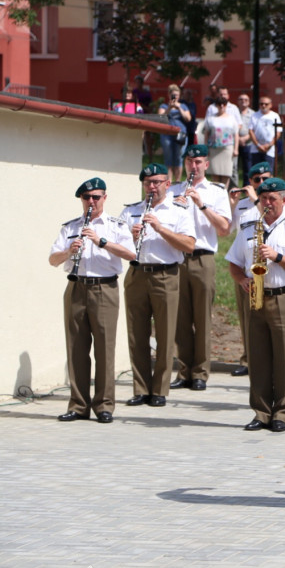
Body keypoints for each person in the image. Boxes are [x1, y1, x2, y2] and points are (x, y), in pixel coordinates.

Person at [225, 178, 285, 432]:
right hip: (256, 298)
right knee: (258, 357)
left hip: (284, 297)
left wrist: (278, 257)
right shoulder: (248, 228)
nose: (267, 203)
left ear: (284, 201)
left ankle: (282, 413)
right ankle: (261, 412)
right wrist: (241, 279)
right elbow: (233, 261)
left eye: (272, 199)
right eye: (263, 199)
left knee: (284, 358)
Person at [50, 178, 136, 423]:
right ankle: (78, 405)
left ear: (104, 198)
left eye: (96, 197)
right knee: (76, 348)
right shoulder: (70, 227)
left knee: (104, 349)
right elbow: (53, 260)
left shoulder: (115, 225)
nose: (91, 202)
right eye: (87, 198)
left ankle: (104, 405)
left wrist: (101, 241)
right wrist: (69, 252)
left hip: (104, 288)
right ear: (81, 200)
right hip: (76, 287)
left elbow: (131, 254)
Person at [120, 164, 196, 408]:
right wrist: (129, 237)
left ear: (168, 183)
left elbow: (189, 245)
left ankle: (160, 389)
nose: (152, 187)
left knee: (165, 334)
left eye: (157, 182)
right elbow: (116, 248)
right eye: (147, 183)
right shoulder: (131, 211)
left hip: (166, 275)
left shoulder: (179, 210)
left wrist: (160, 228)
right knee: (137, 334)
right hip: (137, 273)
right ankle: (141, 389)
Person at [169, 144, 233, 392]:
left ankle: (200, 373)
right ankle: (184, 371)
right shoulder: (173, 190)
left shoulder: (217, 191)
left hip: (203, 258)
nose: (193, 166)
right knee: (180, 318)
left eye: (198, 162)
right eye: (190, 162)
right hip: (177, 257)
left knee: (202, 318)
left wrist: (201, 204)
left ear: (207, 165)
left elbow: (224, 229)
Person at [226, 161, 285, 376]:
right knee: (247, 319)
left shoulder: (278, 201)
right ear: (250, 182)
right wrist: (232, 205)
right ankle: (248, 359)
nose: (262, 183)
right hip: (247, 266)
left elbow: (272, 214)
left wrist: (256, 199)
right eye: (257, 180)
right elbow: (226, 230)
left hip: (275, 273)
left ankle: (271, 362)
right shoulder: (243, 204)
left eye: (265, 179)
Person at [202, 93, 244, 188]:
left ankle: (224, 194)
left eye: (224, 104)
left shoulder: (231, 118)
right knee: (215, 174)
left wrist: (236, 149)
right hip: (214, 148)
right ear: (216, 105)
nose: (221, 106)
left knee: (226, 173)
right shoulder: (211, 118)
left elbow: (236, 134)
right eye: (219, 104)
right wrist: (205, 148)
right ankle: (216, 195)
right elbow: (206, 134)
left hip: (227, 149)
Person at [157, 84, 192, 182]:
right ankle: (169, 182)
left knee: (179, 158)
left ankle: (177, 182)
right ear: (169, 95)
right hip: (167, 135)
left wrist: (179, 108)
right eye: (173, 95)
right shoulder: (164, 106)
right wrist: (169, 108)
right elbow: (160, 117)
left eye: (177, 95)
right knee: (168, 159)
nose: (175, 97)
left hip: (180, 135)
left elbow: (188, 118)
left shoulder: (183, 106)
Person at [248, 95, 282, 168]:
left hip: (269, 150)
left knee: (268, 171)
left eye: (266, 104)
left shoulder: (275, 116)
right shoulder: (254, 115)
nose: (263, 106)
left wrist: (269, 145)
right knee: (256, 172)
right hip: (256, 149)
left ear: (271, 105)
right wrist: (258, 145)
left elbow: (278, 132)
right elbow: (251, 131)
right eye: (261, 104)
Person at [236, 93, 255, 185]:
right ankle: (233, 188)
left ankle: (247, 188)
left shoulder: (253, 114)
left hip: (248, 144)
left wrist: (244, 139)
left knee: (247, 167)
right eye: (241, 99)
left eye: (246, 100)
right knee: (233, 168)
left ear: (249, 102)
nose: (243, 101)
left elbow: (255, 129)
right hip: (235, 143)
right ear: (237, 101)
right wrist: (238, 139)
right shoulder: (234, 112)